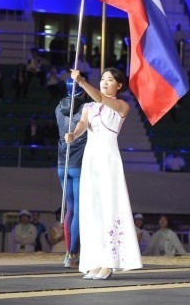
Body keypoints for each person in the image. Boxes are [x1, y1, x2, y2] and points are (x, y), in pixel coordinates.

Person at [65, 67, 142, 279]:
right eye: (102, 79)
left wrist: (80, 81)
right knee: (91, 209)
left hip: (109, 159)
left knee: (109, 207)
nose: (105, 82)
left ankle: (110, 262)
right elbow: (82, 124)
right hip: (91, 160)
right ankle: (94, 261)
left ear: (119, 85)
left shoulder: (121, 106)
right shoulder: (89, 106)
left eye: (110, 80)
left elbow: (100, 97)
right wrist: (73, 134)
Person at [55, 77, 90, 268]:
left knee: (69, 209)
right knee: (78, 209)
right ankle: (73, 253)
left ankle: (68, 254)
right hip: (79, 164)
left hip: (62, 164)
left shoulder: (58, 107)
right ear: (82, 90)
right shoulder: (87, 108)